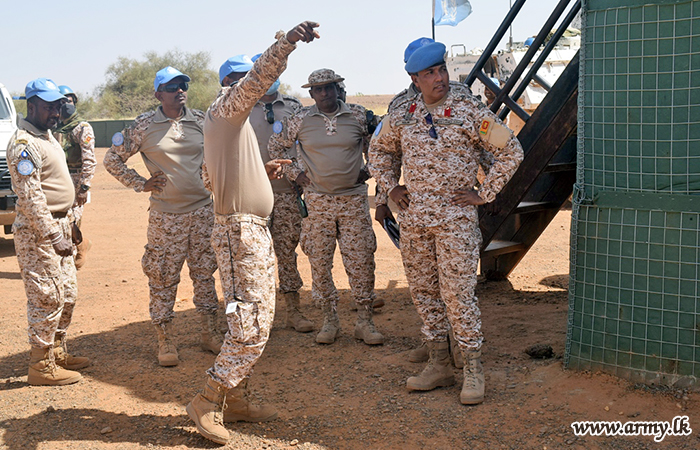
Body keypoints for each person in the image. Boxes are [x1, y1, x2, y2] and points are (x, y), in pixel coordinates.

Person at [185, 21, 320, 445]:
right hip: (241, 232)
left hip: (245, 230)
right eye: (246, 80)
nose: (258, 86)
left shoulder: (228, 124)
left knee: (247, 318)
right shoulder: (228, 108)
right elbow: (260, 75)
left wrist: (258, 172)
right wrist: (287, 43)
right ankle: (208, 399)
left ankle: (238, 400)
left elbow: (213, 178)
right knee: (253, 323)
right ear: (232, 84)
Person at [368, 41, 524, 405]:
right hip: (414, 220)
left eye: (441, 69)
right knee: (424, 292)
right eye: (430, 73)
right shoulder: (402, 112)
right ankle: (438, 363)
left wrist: (485, 193)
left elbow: (511, 150)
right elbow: (378, 151)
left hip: (455, 219)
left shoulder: (468, 108)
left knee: (458, 294)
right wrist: (391, 188)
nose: (439, 78)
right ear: (415, 79)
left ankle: (472, 367)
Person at [104, 66, 222, 367]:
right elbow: (112, 159)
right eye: (171, 87)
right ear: (158, 94)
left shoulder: (200, 120)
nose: (179, 90)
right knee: (162, 277)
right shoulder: (144, 126)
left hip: (202, 211)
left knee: (205, 273)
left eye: (183, 85)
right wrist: (139, 183)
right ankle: (165, 339)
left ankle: (210, 332)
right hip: (166, 217)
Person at [268, 68, 384, 346]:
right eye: (318, 89)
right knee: (319, 262)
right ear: (311, 93)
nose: (324, 93)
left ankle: (364, 321)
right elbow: (276, 147)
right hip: (317, 202)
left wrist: (368, 170)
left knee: (361, 260)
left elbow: (379, 147)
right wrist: (295, 174)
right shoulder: (300, 120)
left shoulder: (358, 115)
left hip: (353, 200)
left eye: (329, 88)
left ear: (337, 88)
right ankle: (329, 320)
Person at [7, 78, 89, 386]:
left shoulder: (48, 136)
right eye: (48, 107)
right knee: (46, 296)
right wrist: (53, 234)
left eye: (57, 106)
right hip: (38, 232)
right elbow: (30, 197)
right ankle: (40, 365)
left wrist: (71, 223)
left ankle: (55, 351)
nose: (55, 112)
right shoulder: (24, 144)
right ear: (31, 106)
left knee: (67, 293)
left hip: (61, 224)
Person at [244, 52, 313, 333]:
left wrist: (300, 175)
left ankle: (293, 311)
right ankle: (259, 315)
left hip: (286, 193)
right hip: (251, 196)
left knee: (286, 253)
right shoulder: (241, 108)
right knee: (253, 258)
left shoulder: (294, 107)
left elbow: (304, 145)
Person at [54, 85, 96, 269]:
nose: (65, 105)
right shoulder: (54, 128)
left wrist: (84, 187)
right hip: (58, 178)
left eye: (69, 101)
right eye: (61, 101)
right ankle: (81, 244)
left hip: (76, 178)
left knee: (72, 220)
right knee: (60, 220)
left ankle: (71, 261)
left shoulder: (82, 128)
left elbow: (89, 159)